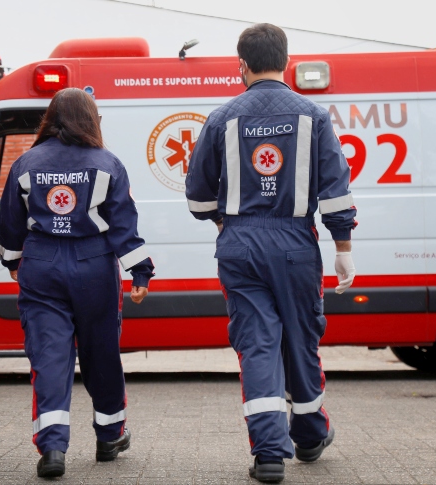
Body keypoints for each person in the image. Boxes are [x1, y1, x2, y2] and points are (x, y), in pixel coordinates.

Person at [185, 24, 357, 483]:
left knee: (257, 344)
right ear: (287, 60)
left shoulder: (222, 118)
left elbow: (198, 197)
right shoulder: (314, 116)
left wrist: (226, 222)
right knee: (301, 340)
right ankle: (308, 435)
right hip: (296, 245)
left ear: (240, 64)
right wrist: (343, 248)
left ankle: (268, 455)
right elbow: (336, 192)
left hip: (239, 247)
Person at [0, 88, 154, 478]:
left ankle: (52, 448)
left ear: (51, 118)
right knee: (101, 354)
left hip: (42, 265)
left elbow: (10, 223)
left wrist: (14, 260)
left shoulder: (26, 163)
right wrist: (140, 272)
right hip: (94, 267)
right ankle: (110, 435)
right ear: (90, 119)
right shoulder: (107, 164)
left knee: (50, 356)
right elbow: (123, 226)